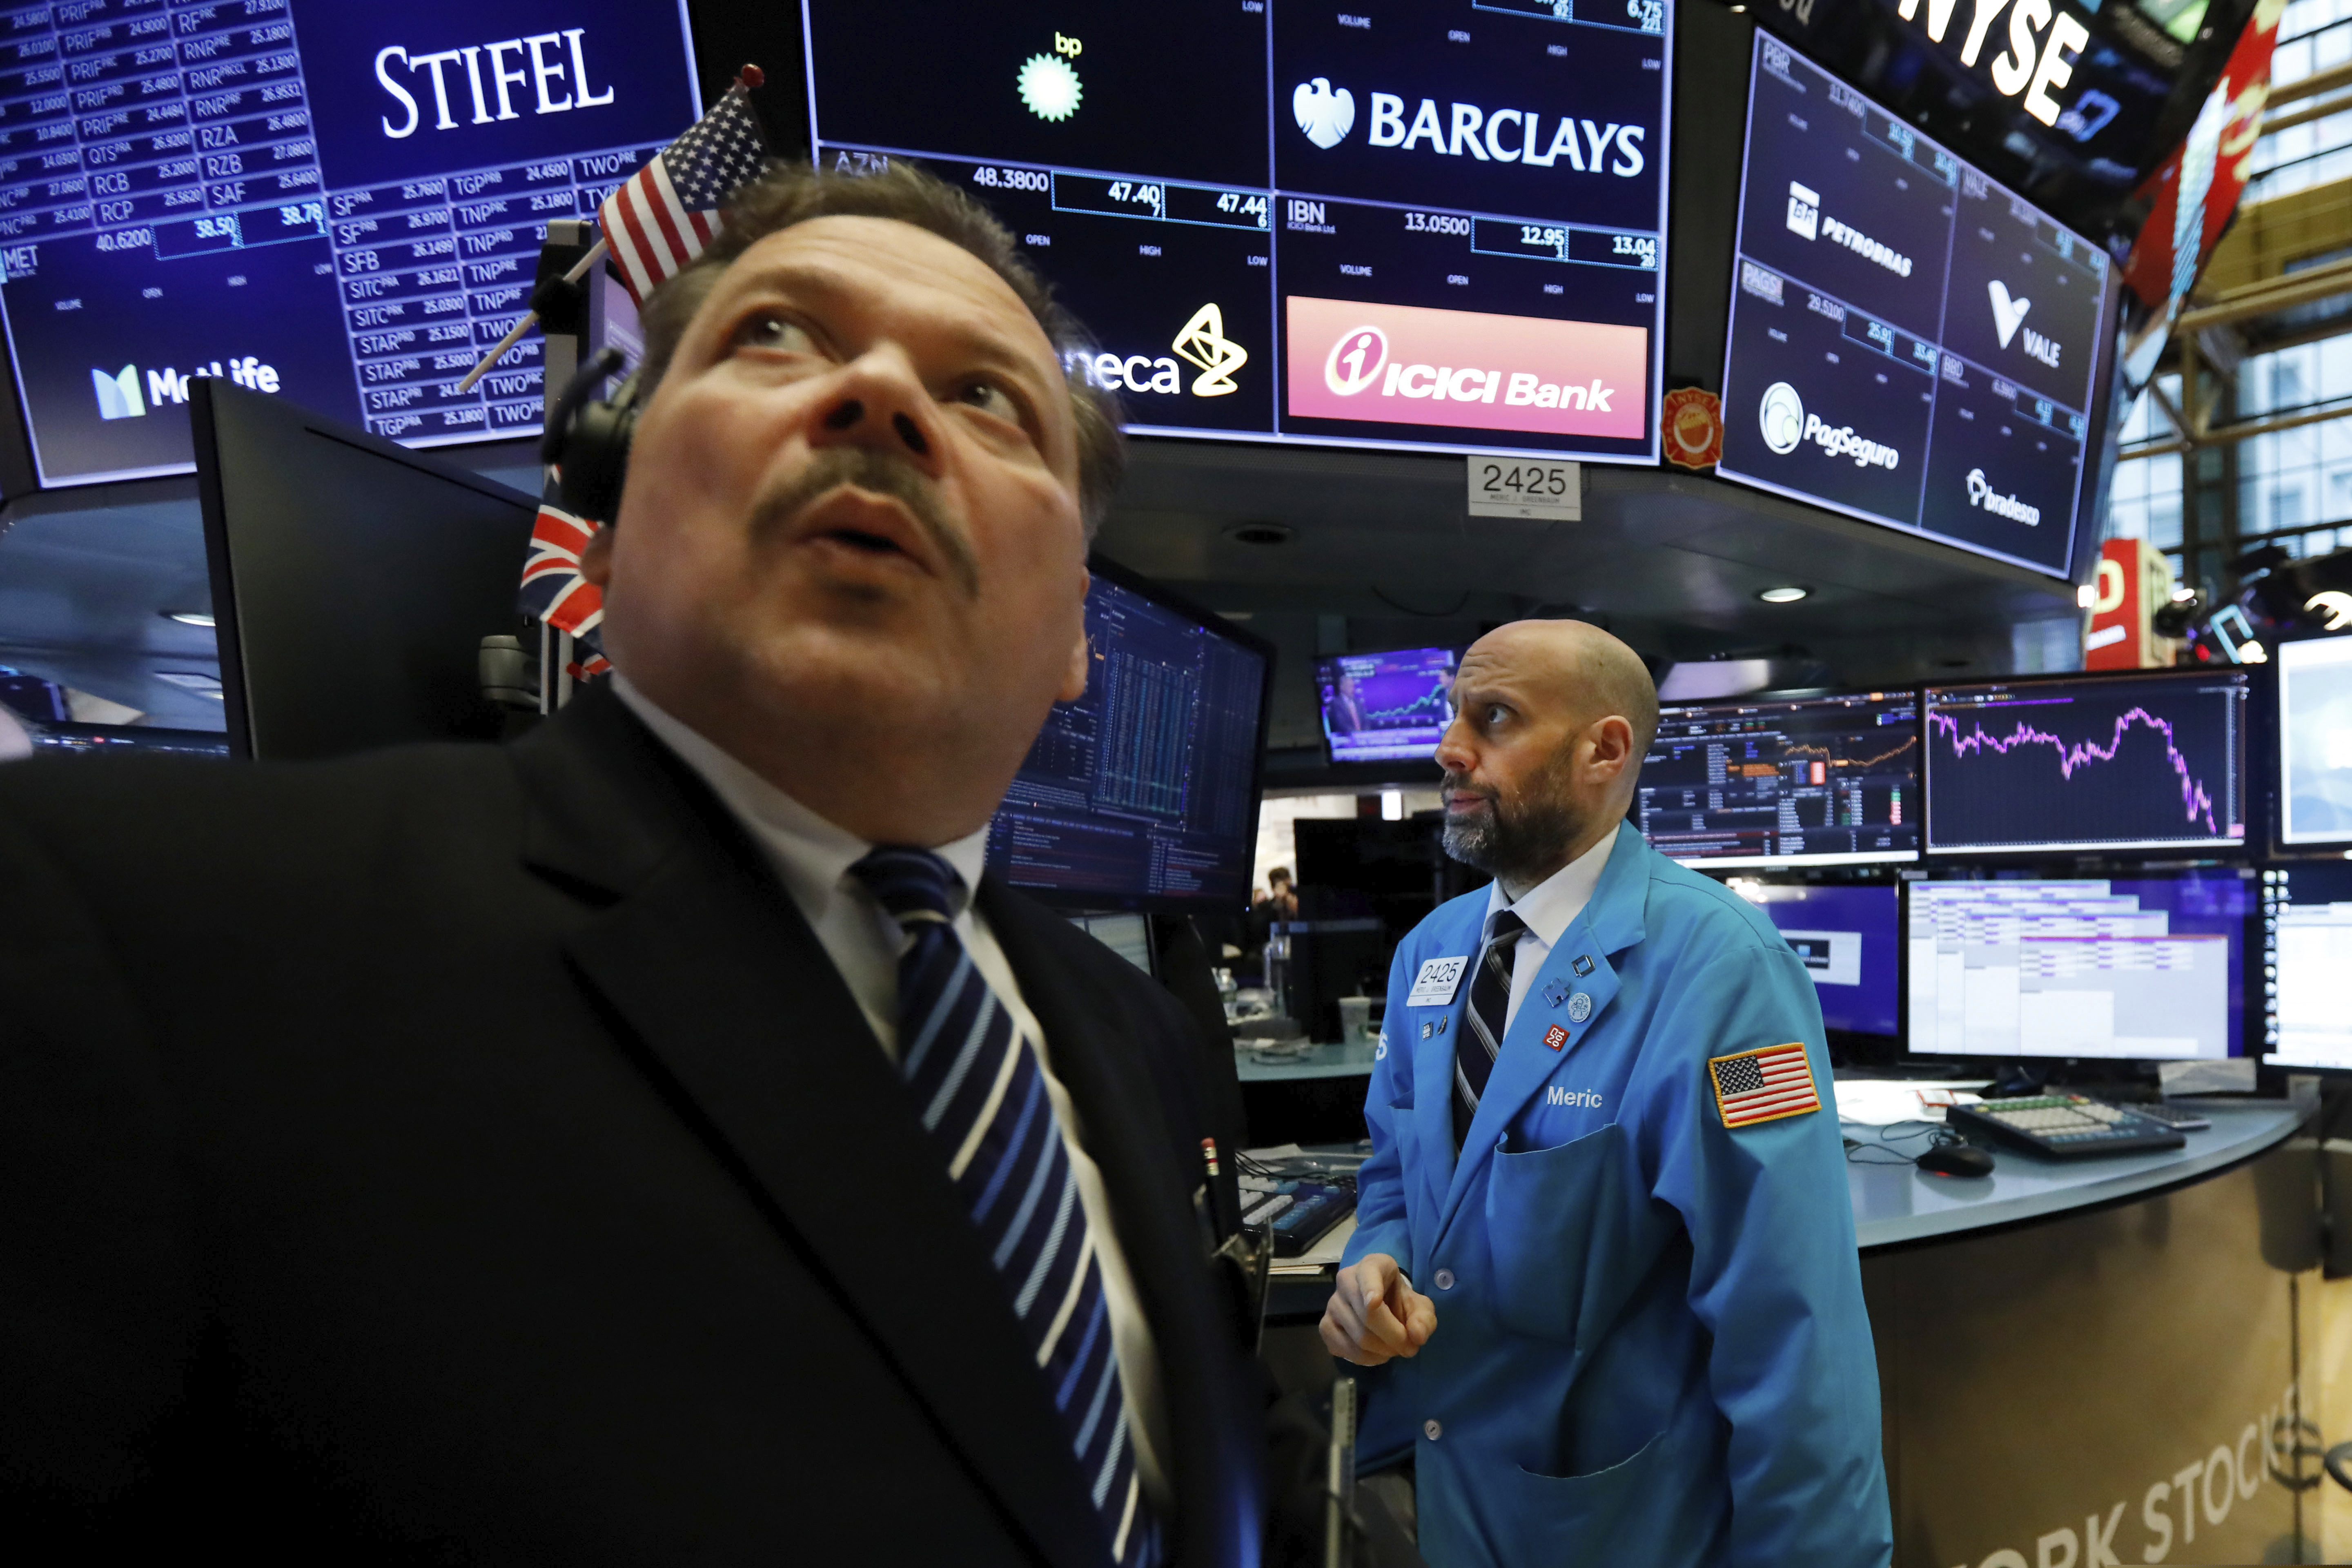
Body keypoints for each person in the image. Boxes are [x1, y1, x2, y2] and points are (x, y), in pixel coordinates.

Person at [0, 162, 1262, 1567]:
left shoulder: (1133, 1037)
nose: (885, 399)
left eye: (988, 399)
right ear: (606, 506)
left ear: (1080, 629)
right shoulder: (140, 933)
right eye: (777, 336)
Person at [1318, 620, 1891, 1568]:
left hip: (1613, 1527)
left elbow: (1794, 1332)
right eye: (1454, 717)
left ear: (1606, 750)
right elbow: (1395, 1173)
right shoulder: (1432, 952)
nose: (1449, 749)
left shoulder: (1725, 972)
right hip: (1445, 1501)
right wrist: (1375, 1264)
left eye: (1493, 719)